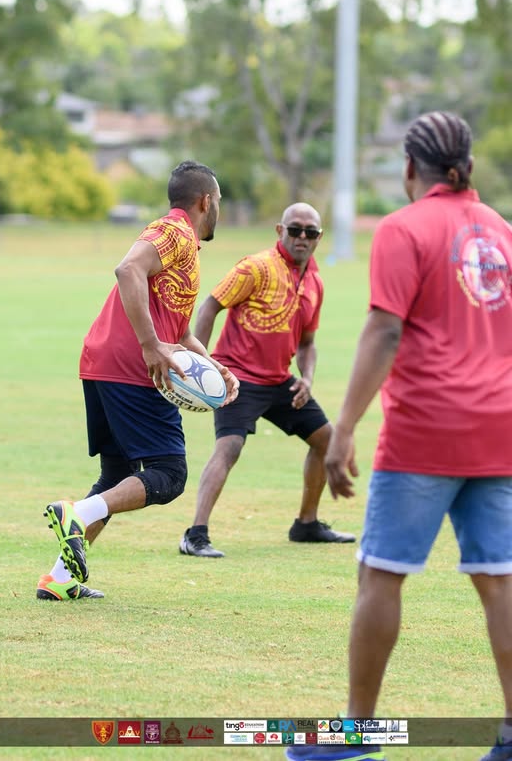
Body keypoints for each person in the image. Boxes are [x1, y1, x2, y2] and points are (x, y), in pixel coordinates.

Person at [286, 111, 512, 761]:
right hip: (498, 431)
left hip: (426, 431)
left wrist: (345, 426)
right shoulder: (500, 231)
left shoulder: (403, 228)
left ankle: (355, 731)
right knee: (499, 579)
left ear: (411, 169)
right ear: (464, 164)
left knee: (380, 575)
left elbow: (384, 331)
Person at [36, 160, 239, 601]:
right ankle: (76, 512)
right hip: (133, 367)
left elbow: (180, 334)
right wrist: (150, 345)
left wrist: (216, 367)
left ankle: (60, 578)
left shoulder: (186, 250)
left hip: (104, 361)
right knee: (169, 472)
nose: (218, 208)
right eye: (218, 201)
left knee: (118, 472)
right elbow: (127, 269)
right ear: (205, 201)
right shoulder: (174, 231)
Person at [179, 201, 356, 558]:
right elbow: (210, 306)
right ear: (280, 230)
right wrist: (204, 363)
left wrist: (306, 378)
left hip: (280, 382)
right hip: (238, 377)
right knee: (229, 447)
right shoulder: (255, 268)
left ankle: (306, 524)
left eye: (311, 232)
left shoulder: (315, 283)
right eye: (295, 230)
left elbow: (307, 344)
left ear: (320, 238)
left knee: (327, 440)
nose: (302, 237)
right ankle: (194, 534)